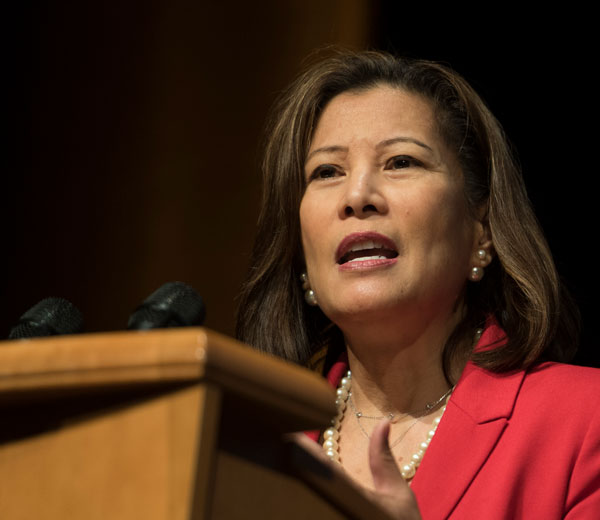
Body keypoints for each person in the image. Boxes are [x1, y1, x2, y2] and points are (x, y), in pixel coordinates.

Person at [235, 50, 600, 519]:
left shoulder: (584, 420)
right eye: (327, 172)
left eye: (400, 162)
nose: (357, 196)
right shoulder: (252, 449)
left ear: (480, 229)